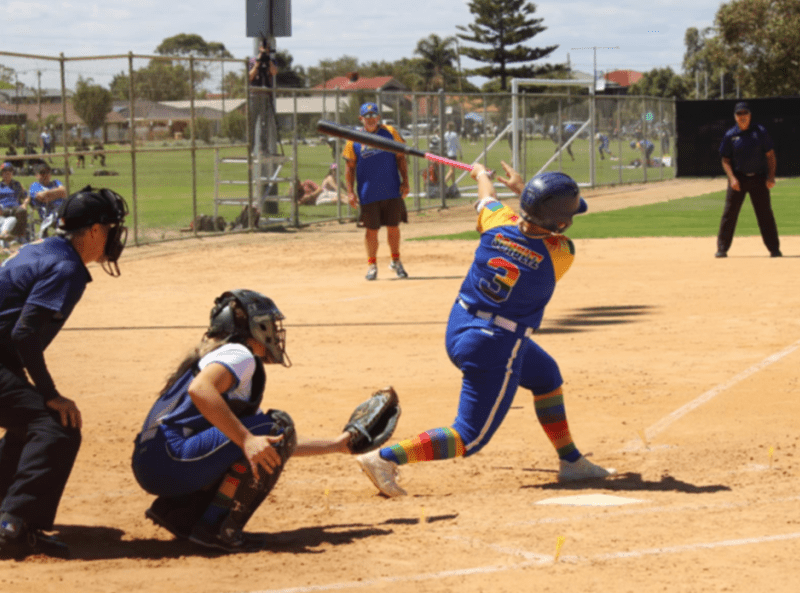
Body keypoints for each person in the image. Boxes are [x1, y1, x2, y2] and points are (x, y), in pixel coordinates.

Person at [355, 161, 615, 498]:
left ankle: (571, 462)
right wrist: (526, 193)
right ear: (561, 221)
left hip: (461, 325)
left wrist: (480, 174)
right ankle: (384, 458)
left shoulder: (496, 223)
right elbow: (554, 228)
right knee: (469, 437)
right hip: (496, 344)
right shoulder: (560, 253)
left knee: (546, 375)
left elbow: (486, 198)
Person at [0, 186, 128, 560]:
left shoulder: (44, 249)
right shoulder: (66, 268)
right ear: (94, 231)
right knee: (57, 426)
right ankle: (14, 529)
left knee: (30, 419)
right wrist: (50, 392)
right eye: (111, 228)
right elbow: (25, 332)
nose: (114, 236)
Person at [132, 290, 359, 552]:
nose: (274, 331)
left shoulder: (215, 356)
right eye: (268, 324)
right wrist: (247, 439)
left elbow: (272, 444)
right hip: (172, 459)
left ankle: (179, 512)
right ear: (251, 327)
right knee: (275, 425)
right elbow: (201, 390)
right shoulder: (240, 354)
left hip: (157, 461)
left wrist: (339, 444)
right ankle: (217, 529)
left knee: (266, 432)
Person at [344, 102, 410, 280]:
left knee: (393, 227)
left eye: (374, 115)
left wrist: (406, 181)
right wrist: (350, 192)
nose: (371, 119)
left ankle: (396, 261)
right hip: (368, 192)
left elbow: (401, 157)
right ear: (361, 119)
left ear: (379, 117)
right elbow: (349, 167)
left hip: (391, 189)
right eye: (367, 117)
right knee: (371, 230)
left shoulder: (390, 132)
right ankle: (372, 265)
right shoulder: (354, 138)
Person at [715, 101, 781, 258]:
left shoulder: (760, 132)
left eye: (745, 113)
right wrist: (732, 178)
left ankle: (774, 249)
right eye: (739, 114)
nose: (742, 117)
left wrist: (771, 176)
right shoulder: (730, 135)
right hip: (738, 179)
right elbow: (725, 160)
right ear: (735, 117)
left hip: (758, 178)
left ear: (750, 115)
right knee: (729, 214)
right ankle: (722, 249)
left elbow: (770, 155)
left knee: (765, 214)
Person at [0, 162, 29, 244]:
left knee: (22, 211)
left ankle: (20, 236)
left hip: (16, 207)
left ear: (12, 173)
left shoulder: (17, 184)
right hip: (3, 208)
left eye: (9, 171)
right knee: (11, 213)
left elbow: (27, 196)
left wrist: (25, 204)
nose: (7, 173)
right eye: (5, 171)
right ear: (1, 174)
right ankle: (8, 236)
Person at [29, 164, 68, 237]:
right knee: (61, 214)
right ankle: (61, 233)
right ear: (37, 175)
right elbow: (42, 198)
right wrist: (58, 194)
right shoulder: (35, 185)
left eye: (48, 172)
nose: (45, 175)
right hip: (47, 213)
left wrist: (47, 193)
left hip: (62, 210)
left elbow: (64, 191)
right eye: (42, 173)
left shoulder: (56, 182)